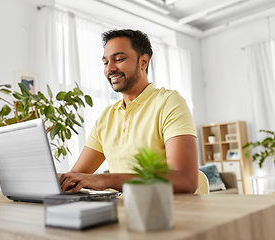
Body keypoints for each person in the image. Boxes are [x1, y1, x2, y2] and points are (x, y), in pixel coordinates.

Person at [59, 29, 198, 193]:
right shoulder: (106, 117)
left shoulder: (169, 102)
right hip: (118, 211)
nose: (109, 69)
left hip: (161, 211)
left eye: (118, 59)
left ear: (143, 62)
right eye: (105, 62)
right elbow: (76, 175)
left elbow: (185, 179)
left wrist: (106, 180)